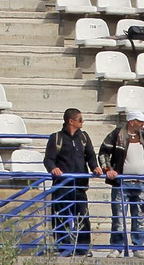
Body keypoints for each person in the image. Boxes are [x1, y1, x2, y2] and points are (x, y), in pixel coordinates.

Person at [99, 110, 144, 255]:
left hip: (141, 183)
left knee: (139, 218)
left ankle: (138, 248)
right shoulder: (117, 134)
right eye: (140, 121)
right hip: (121, 183)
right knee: (119, 218)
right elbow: (103, 152)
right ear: (132, 122)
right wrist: (108, 170)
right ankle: (117, 248)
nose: (143, 124)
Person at [43, 109, 101, 256]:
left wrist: (95, 167)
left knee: (82, 217)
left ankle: (83, 248)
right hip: (62, 185)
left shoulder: (84, 137)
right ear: (71, 121)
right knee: (60, 217)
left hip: (79, 185)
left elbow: (90, 156)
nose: (82, 122)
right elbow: (48, 159)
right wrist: (53, 168)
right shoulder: (56, 138)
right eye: (80, 119)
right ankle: (63, 247)